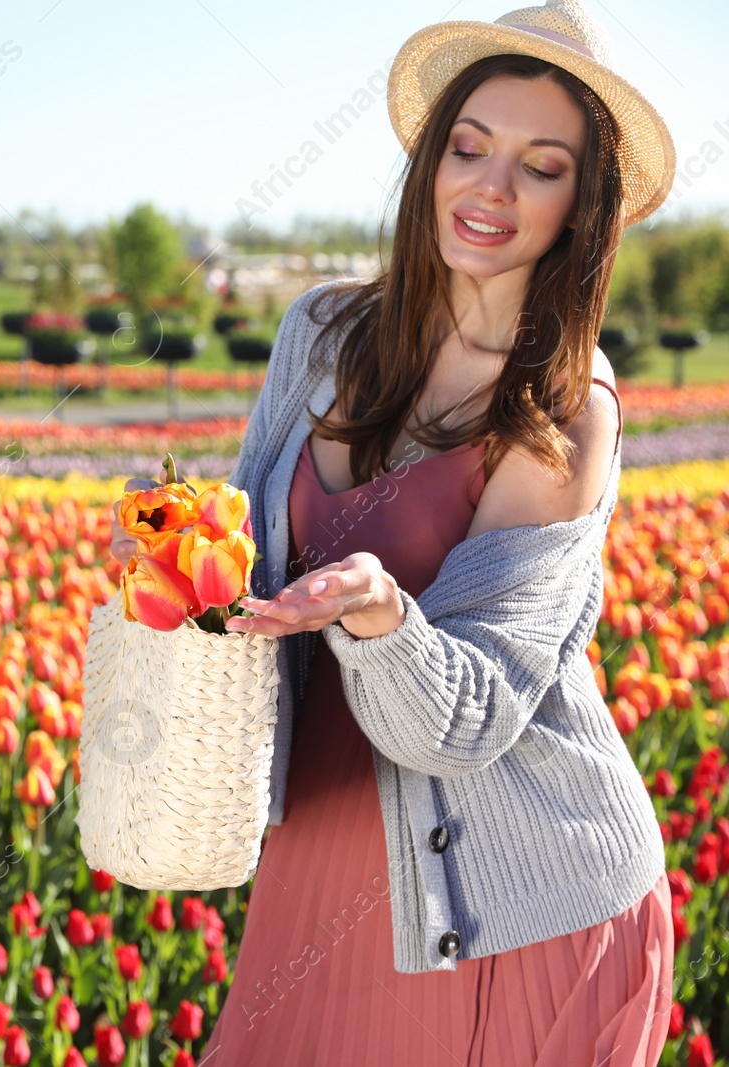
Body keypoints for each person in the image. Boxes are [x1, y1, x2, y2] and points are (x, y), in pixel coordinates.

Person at [110, 1, 677, 1063]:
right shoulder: (322, 334)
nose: (491, 187)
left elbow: (462, 719)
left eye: (540, 165)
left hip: (509, 910)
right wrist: (175, 544)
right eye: (469, 146)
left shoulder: (564, 409)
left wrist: (379, 615)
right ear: (431, 159)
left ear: (582, 201)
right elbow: (242, 570)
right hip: (308, 875)